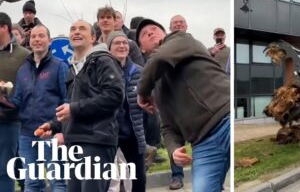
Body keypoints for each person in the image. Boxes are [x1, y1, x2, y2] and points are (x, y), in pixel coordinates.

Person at [136, 19, 230, 191]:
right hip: (203, 143)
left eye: (154, 29)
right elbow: (167, 126)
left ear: (165, 34)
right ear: (141, 48)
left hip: (226, 119)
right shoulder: (156, 85)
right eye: (144, 34)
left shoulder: (183, 40)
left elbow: (161, 58)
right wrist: (173, 150)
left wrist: (141, 93)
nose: (149, 32)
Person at [39, 20, 125, 191]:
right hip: (75, 142)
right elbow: (73, 106)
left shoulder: (103, 61)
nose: (76, 32)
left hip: (97, 141)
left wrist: (74, 109)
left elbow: (115, 96)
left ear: (93, 37)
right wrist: (54, 125)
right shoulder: (72, 68)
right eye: (73, 29)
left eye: (82, 29)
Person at [9, 25, 67, 192]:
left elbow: (66, 99)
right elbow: (17, 101)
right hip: (27, 134)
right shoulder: (22, 70)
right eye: (34, 36)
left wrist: (62, 130)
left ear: (49, 41)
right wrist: (3, 100)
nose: (37, 39)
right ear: (29, 41)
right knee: (31, 184)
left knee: (58, 182)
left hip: (52, 133)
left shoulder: (59, 66)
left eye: (41, 36)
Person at [107, 31, 147, 192]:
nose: (122, 46)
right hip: (109, 134)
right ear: (109, 48)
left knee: (138, 180)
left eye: (125, 43)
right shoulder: (103, 71)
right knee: (107, 180)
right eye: (117, 43)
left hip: (133, 133)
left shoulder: (139, 71)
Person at [0, 12, 30, 192]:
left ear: (4, 28)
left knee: (5, 169)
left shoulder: (23, 55)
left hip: (10, 120)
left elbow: (30, 86)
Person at [164, 14, 189, 190]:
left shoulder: (194, 44)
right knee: (175, 141)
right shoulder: (165, 47)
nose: (178, 25)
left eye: (181, 22)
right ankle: (177, 177)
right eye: (175, 23)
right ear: (170, 27)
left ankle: (210, 178)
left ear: (186, 26)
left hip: (193, 102)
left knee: (202, 142)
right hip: (173, 102)